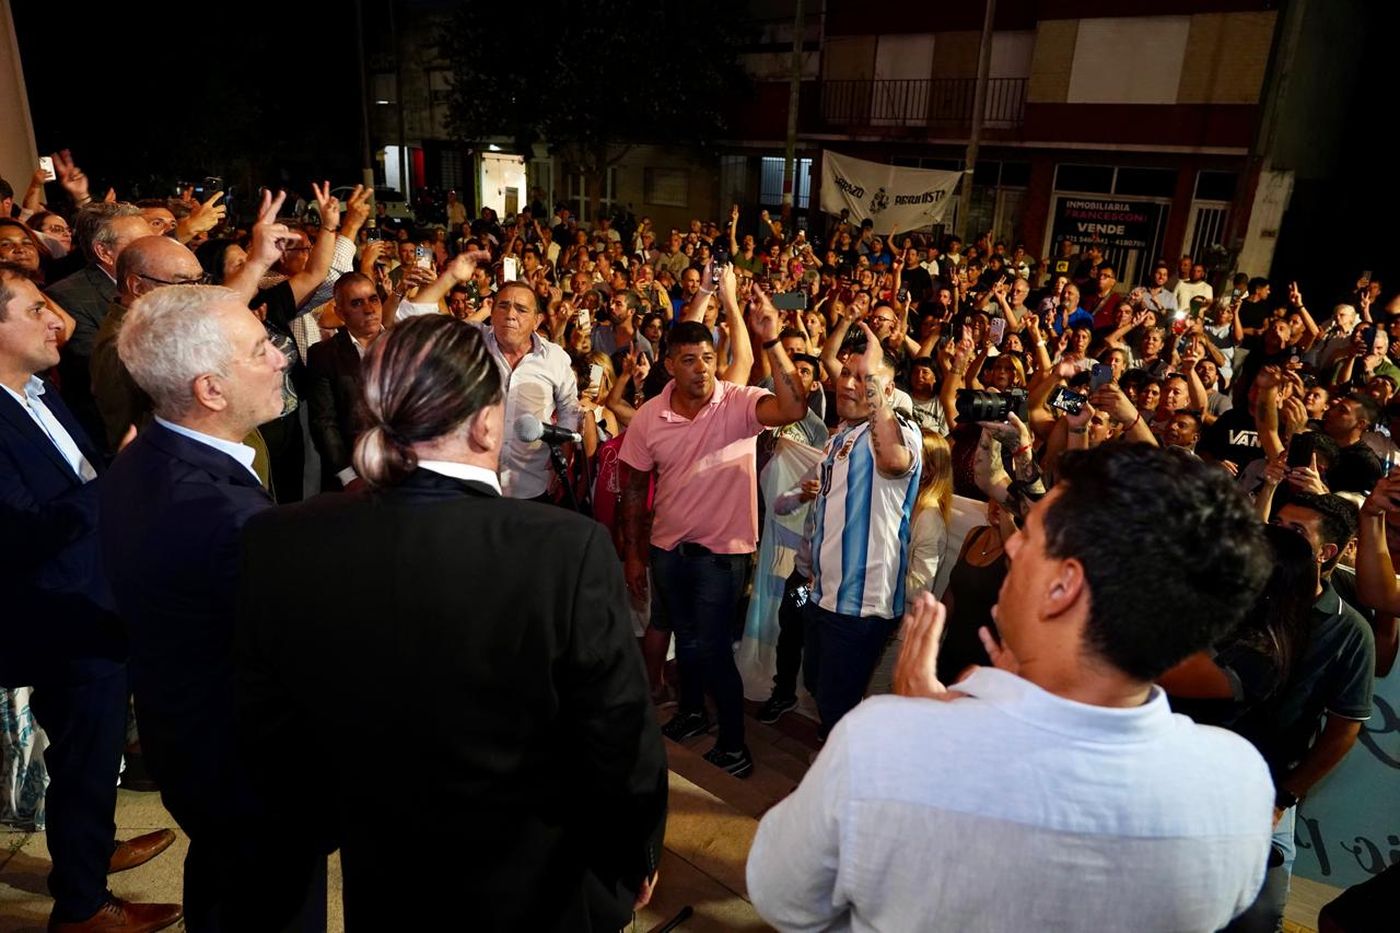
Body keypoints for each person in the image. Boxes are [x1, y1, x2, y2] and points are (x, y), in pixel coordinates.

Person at [236, 315, 667, 929]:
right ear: (487, 421)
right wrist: (634, 850)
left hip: (383, 875)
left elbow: (270, 727)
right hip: (536, 886)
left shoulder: (282, 538)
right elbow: (617, 732)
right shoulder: (563, 550)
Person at [747, 444, 1276, 932]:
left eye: (1032, 535)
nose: (1014, 544)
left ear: (1062, 587)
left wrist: (921, 733)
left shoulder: (883, 742)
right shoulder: (1241, 782)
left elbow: (784, 899)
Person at [100, 284, 325, 932]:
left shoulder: (141, 454)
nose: (280, 358)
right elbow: (291, 661)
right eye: (259, 350)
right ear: (211, 390)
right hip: (250, 776)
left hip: (191, 751)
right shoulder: (228, 517)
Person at [0, 263, 182, 932]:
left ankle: (90, 850)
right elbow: (20, 532)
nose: (58, 320)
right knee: (84, 758)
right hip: (60, 615)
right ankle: (82, 904)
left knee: (94, 755)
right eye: (35, 309)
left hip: (93, 595)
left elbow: (81, 475)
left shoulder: (35, 394)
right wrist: (118, 479)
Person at [618, 283, 809, 778]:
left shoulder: (738, 404)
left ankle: (734, 744)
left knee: (714, 650)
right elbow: (634, 490)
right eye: (689, 360)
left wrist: (772, 341)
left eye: (707, 358)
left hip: (721, 557)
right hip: (667, 551)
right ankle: (691, 713)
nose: (701, 368)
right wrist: (635, 554)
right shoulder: (649, 416)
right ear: (669, 365)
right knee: (686, 640)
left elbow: (793, 409)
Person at [788, 323, 922, 736]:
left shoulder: (902, 430)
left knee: (837, 707)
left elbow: (894, 461)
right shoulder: (840, 437)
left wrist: (874, 389)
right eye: (846, 373)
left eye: (864, 377)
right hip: (821, 595)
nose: (849, 383)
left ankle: (845, 772)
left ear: (887, 388)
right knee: (817, 686)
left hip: (862, 606)